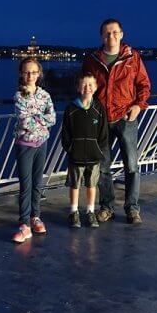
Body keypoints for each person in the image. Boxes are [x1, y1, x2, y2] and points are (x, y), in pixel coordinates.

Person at [82, 18, 151, 224]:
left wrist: (139, 106)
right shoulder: (93, 60)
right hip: (101, 120)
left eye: (114, 32)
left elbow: (144, 85)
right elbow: (85, 87)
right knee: (103, 167)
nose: (110, 36)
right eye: (106, 33)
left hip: (126, 118)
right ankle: (107, 207)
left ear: (121, 34)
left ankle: (132, 208)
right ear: (101, 36)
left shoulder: (132, 58)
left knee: (131, 165)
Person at [12, 58, 57, 243]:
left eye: (33, 72)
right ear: (21, 74)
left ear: (39, 74)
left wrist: (36, 118)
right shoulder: (19, 96)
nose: (30, 75)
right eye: (26, 72)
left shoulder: (45, 95)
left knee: (38, 182)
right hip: (24, 144)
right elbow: (24, 121)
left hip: (42, 143)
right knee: (26, 184)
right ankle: (24, 223)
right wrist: (41, 119)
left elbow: (53, 118)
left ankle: (35, 216)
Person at [61, 73, 109, 229]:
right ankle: (73, 212)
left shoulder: (99, 108)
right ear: (78, 87)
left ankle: (90, 211)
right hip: (76, 155)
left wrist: (99, 150)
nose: (87, 88)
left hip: (94, 156)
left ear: (95, 88)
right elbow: (66, 132)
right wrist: (70, 148)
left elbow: (103, 133)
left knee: (91, 185)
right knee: (75, 185)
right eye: (83, 84)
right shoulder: (71, 109)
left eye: (90, 85)